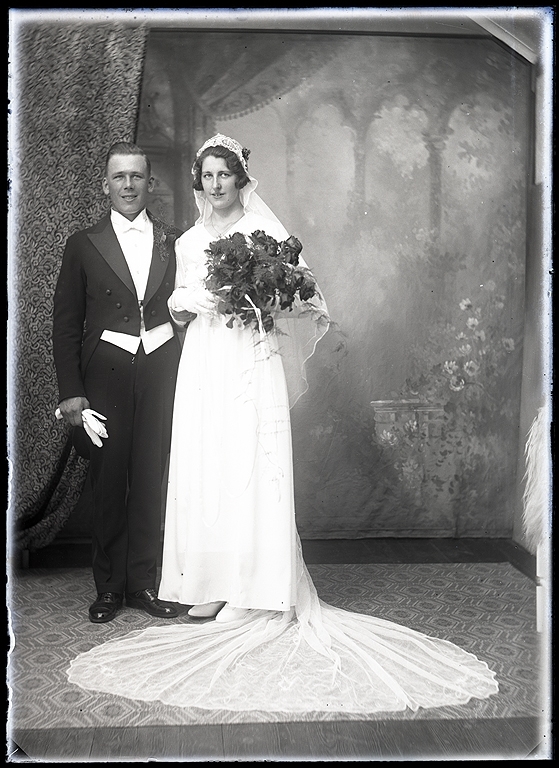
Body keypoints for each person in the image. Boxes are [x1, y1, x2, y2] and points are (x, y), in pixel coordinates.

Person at [66, 135, 499, 714]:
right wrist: (186, 306)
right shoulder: (181, 240)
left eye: (225, 174)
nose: (216, 184)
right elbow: (166, 305)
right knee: (203, 469)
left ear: (240, 179)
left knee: (241, 467)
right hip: (199, 366)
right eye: (207, 175)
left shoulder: (252, 234)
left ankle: (246, 588)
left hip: (244, 360)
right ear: (197, 182)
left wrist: (259, 299)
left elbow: (299, 297)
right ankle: (195, 583)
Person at [53, 141, 182, 624]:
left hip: (161, 369)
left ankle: (143, 583)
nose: (129, 185)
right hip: (105, 372)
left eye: (137, 176)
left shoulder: (175, 239)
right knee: (108, 479)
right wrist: (71, 391)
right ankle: (109, 588)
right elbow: (66, 323)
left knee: (151, 475)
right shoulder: (83, 243)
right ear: (105, 185)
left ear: (150, 183)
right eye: (119, 177)